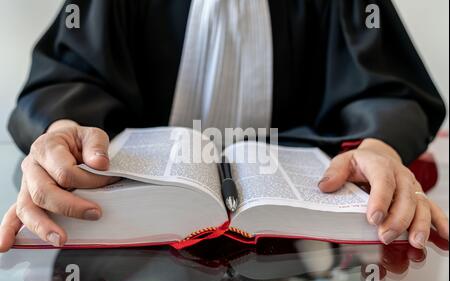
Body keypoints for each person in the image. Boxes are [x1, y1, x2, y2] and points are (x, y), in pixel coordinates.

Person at [0, 0, 448, 252]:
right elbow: (67, 77)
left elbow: (389, 91)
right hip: (137, 234)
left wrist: (381, 145)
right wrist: (63, 130)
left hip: (292, 245)